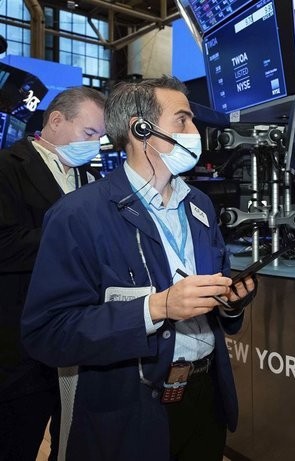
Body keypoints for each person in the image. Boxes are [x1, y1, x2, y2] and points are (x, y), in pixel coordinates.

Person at [21, 76, 256, 461]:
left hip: (205, 398)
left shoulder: (199, 205)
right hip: (130, 408)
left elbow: (217, 279)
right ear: (140, 128)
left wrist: (229, 302)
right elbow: (48, 333)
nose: (195, 132)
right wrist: (156, 308)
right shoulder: (77, 215)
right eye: (182, 120)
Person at [0, 86, 105, 461]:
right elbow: (5, 244)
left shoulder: (89, 178)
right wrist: (73, 237)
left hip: (77, 340)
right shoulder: (8, 167)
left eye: (99, 137)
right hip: (20, 343)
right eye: (89, 133)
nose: (94, 145)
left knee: (71, 441)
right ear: (56, 120)